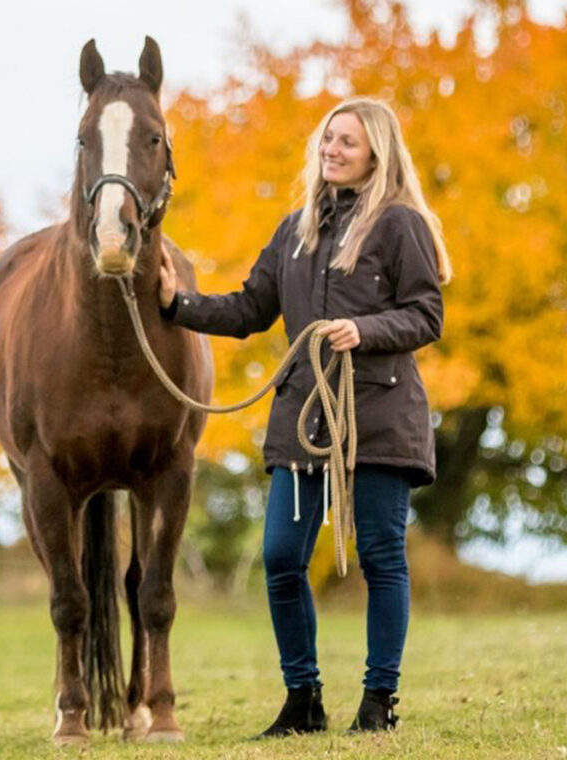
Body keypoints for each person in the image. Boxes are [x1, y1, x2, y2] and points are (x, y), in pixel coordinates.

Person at [158, 97, 452, 736]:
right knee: (282, 557)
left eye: (347, 141)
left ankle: (379, 703)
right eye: (327, 139)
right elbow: (248, 310)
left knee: (380, 555)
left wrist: (363, 328)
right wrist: (175, 304)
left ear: (377, 151)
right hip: (303, 417)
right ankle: (304, 699)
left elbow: (426, 314)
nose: (333, 150)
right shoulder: (294, 229)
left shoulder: (401, 225)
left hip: (378, 413)